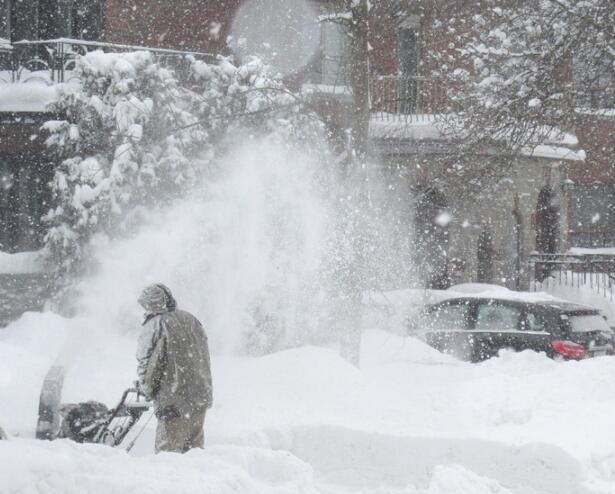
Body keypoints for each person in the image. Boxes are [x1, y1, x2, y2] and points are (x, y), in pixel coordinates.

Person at [136, 284, 213, 453]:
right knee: (194, 453)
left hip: (172, 401)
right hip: (200, 398)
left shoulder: (155, 325)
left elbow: (148, 364)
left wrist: (147, 389)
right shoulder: (192, 319)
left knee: (168, 456)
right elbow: (203, 357)